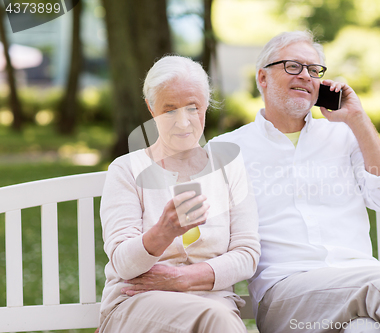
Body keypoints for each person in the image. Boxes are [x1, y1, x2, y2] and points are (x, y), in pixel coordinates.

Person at [211, 31, 380, 332]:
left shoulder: (345, 135)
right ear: (263, 78)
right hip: (286, 298)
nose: (305, 76)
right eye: (293, 66)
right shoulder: (227, 150)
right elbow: (209, 235)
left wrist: (358, 119)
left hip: (358, 286)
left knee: (362, 330)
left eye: (314, 70)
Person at [98, 55, 260, 333]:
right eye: (169, 110)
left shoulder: (229, 170)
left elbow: (247, 254)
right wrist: (162, 231)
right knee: (217, 321)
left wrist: (181, 278)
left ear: (206, 105)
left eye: (192, 108)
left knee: (216, 318)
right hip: (136, 303)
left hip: (213, 303)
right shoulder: (126, 170)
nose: (183, 122)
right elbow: (123, 264)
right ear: (151, 108)